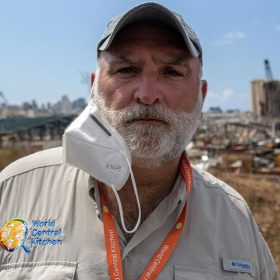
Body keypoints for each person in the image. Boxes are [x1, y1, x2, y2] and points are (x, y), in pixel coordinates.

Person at [0, 2, 279, 279]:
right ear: (94, 88)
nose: (147, 94)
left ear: (201, 96)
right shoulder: (13, 191)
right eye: (126, 70)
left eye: (172, 72)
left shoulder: (235, 218)